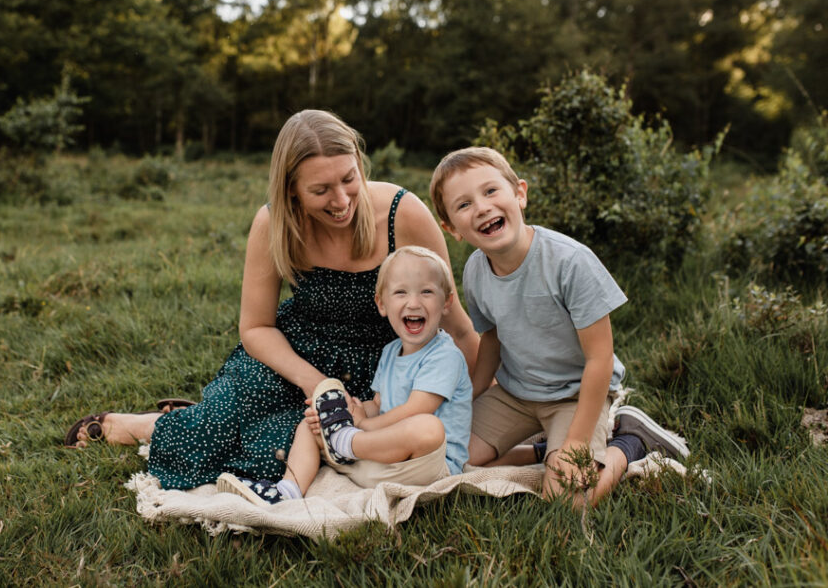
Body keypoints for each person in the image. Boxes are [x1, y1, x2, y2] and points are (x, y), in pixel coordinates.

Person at [64, 110, 479, 491]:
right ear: (292, 189)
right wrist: (313, 381)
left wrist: (474, 400)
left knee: (277, 451)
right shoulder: (273, 224)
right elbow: (256, 327)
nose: (341, 200)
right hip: (296, 352)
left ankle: (193, 420)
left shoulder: (402, 214)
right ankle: (155, 425)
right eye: (320, 189)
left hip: (374, 368)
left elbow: (455, 323)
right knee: (221, 421)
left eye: (349, 179)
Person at [428, 147, 688, 506]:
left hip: (576, 394)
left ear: (519, 194)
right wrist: (467, 397)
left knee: (567, 500)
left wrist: (579, 440)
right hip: (516, 395)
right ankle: (545, 450)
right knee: (449, 458)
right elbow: (490, 340)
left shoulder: (570, 262)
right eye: (464, 205)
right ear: (451, 228)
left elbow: (600, 358)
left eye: (490, 191)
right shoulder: (474, 272)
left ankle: (631, 442)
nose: (482, 208)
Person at [216, 246, 472, 505]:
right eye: (400, 292)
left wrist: (361, 427)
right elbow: (380, 405)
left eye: (426, 292)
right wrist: (353, 412)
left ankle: (345, 442)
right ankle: (287, 490)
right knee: (313, 422)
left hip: (429, 465)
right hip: (381, 462)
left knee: (428, 428)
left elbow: (418, 409)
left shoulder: (444, 355)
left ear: (447, 301)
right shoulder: (391, 351)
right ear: (382, 304)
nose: (413, 302)